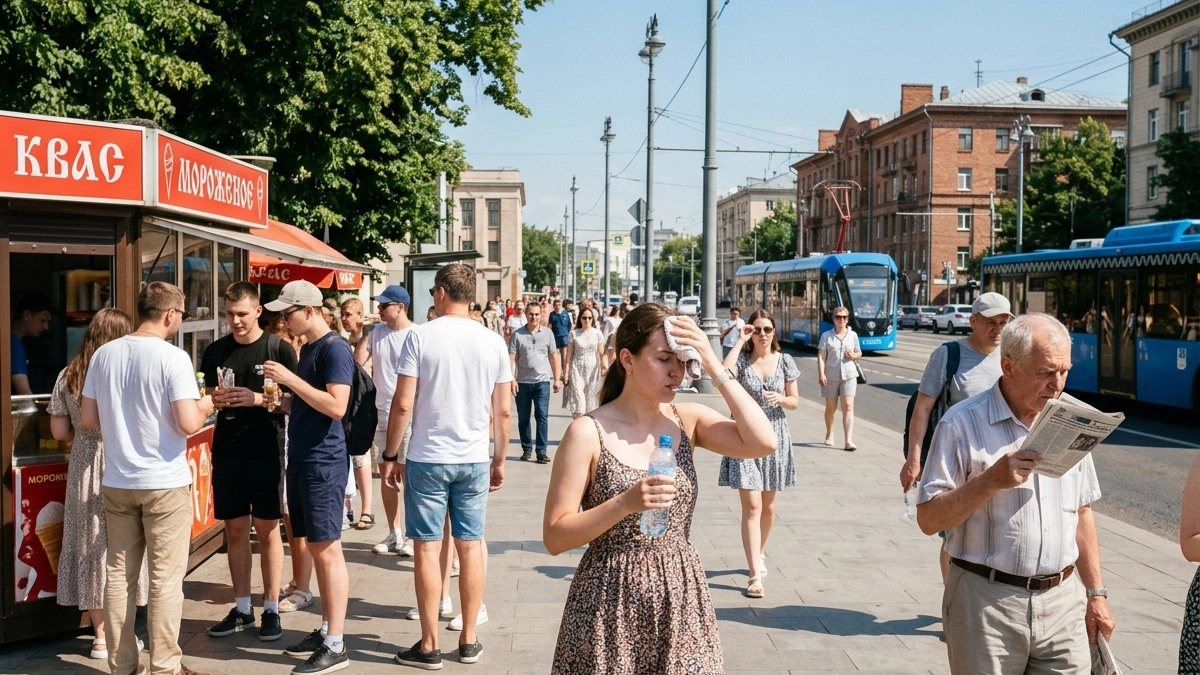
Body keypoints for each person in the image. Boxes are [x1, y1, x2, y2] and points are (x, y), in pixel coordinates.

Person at [543, 304, 776, 673]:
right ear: (627, 359)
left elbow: (764, 441)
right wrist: (624, 503)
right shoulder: (587, 432)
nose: (676, 372)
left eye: (682, 361)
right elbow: (555, 536)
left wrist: (714, 365)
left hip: (679, 590)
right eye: (664, 359)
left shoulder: (688, 420)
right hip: (608, 598)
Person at [916, 313, 1115, 674]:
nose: (1058, 385)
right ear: (1008, 366)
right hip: (986, 605)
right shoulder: (961, 424)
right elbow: (928, 519)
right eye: (1045, 373)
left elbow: (1082, 511)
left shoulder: (1071, 418)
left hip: (1062, 604)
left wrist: (1096, 593)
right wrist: (989, 481)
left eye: (1065, 371)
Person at [80, 281, 215, 675]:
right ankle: (165, 667)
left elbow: (89, 420)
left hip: (118, 480)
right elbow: (189, 422)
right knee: (165, 580)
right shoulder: (173, 358)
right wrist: (206, 403)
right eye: (182, 314)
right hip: (164, 481)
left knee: (118, 576)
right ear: (170, 315)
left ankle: (122, 665)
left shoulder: (104, 354)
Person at [382, 263, 512, 669]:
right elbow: (503, 412)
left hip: (427, 455)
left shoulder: (419, 336)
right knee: (469, 545)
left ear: (440, 292)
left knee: (427, 547)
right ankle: (470, 640)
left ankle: (429, 645)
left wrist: (390, 455)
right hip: (473, 456)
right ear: (471, 294)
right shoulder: (492, 341)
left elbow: (403, 404)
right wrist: (500, 458)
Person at [262, 280, 356, 674]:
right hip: (305, 458)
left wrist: (290, 380)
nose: (283, 320)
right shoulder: (312, 349)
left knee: (327, 549)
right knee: (317, 547)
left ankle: (335, 643)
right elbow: (308, 404)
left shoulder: (334, 348)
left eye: (288, 313)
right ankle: (326, 629)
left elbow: (337, 405)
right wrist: (273, 400)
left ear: (310, 311)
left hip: (323, 461)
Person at [201, 282, 298, 643]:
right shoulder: (214, 352)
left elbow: (297, 401)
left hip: (267, 449)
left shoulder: (278, 349)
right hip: (227, 449)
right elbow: (205, 395)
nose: (235, 321)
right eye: (229, 314)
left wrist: (259, 398)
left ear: (258, 311)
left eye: (242, 313)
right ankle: (243, 607)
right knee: (235, 530)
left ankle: (270, 608)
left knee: (269, 529)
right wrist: (213, 398)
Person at [49, 308, 147, 661]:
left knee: (88, 546)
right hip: (123, 461)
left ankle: (100, 636)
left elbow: (59, 431)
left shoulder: (69, 374)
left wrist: (81, 437)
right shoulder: (126, 371)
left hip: (83, 465)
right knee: (122, 548)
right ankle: (122, 634)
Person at [899, 292, 1011, 581]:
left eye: (1003, 322)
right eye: (990, 322)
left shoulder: (1009, 358)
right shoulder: (948, 355)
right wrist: (914, 459)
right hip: (957, 460)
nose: (997, 329)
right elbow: (922, 409)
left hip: (999, 460)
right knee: (955, 534)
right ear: (973, 321)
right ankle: (954, 601)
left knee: (994, 531)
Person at [718, 309, 800, 599]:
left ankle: (759, 552)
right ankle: (754, 574)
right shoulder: (741, 359)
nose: (762, 334)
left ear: (774, 332)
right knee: (752, 506)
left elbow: (795, 401)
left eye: (767, 329)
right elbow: (722, 374)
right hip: (744, 436)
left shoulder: (785, 361)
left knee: (768, 507)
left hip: (776, 436)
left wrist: (781, 399)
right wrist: (740, 340)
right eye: (757, 329)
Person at [354, 285, 415, 558]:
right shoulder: (376, 334)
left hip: (411, 413)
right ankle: (395, 532)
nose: (378, 309)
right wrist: (362, 331)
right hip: (380, 412)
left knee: (412, 475)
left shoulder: (416, 334)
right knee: (387, 475)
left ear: (400, 307)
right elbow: (358, 364)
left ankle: (414, 535)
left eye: (383, 305)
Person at [262, 310, 315, 613]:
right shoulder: (300, 355)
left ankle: (304, 586)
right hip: (286, 441)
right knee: (289, 516)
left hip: (299, 445)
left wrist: (284, 391)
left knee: (297, 520)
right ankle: (298, 579)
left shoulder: (306, 359)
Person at [508, 301, 562, 463]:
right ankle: (526, 449)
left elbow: (554, 356)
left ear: (541, 315)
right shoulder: (517, 334)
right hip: (522, 383)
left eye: (537, 314)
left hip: (542, 382)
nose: (534, 317)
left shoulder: (547, 334)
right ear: (526, 314)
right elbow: (511, 358)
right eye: (531, 314)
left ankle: (541, 451)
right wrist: (511, 379)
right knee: (523, 418)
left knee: (542, 416)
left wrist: (557, 379)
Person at [340, 297, 375, 531]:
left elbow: (361, 368)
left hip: (363, 403)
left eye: (349, 314)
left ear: (361, 316)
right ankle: (347, 508)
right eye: (343, 314)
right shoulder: (340, 340)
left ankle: (367, 510)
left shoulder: (369, 338)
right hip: (345, 403)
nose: (344, 318)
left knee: (361, 458)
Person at [817, 306, 861, 451]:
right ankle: (830, 434)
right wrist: (821, 374)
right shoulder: (826, 336)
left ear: (847, 319)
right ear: (833, 319)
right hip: (831, 375)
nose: (841, 319)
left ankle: (848, 441)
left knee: (848, 406)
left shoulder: (853, 335)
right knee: (831, 408)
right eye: (838, 317)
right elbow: (821, 357)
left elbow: (859, 352)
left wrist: (854, 355)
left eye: (844, 317)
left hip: (849, 375)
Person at [562, 308, 605, 418]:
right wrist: (566, 373)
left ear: (593, 319)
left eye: (589, 318)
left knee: (591, 404)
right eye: (584, 318)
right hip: (577, 369)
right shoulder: (574, 334)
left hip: (593, 371)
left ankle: (589, 431)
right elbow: (568, 356)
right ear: (580, 319)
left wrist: (605, 367)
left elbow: (601, 353)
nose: (587, 320)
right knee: (579, 403)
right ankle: (578, 427)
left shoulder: (597, 333)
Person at [10, 293, 52, 395]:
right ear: (27, 315)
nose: (46, 327)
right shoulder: (14, 345)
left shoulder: (17, 342)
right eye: (42, 321)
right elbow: (25, 393)